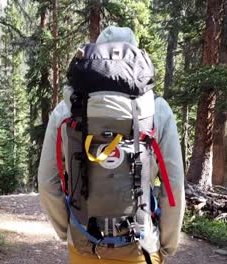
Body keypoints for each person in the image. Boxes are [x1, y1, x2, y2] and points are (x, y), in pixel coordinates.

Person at [38, 26, 185, 264]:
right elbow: (173, 185)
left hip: (83, 245)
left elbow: (47, 182)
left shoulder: (66, 109)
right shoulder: (157, 109)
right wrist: (166, 245)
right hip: (142, 246)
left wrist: (69, 232)